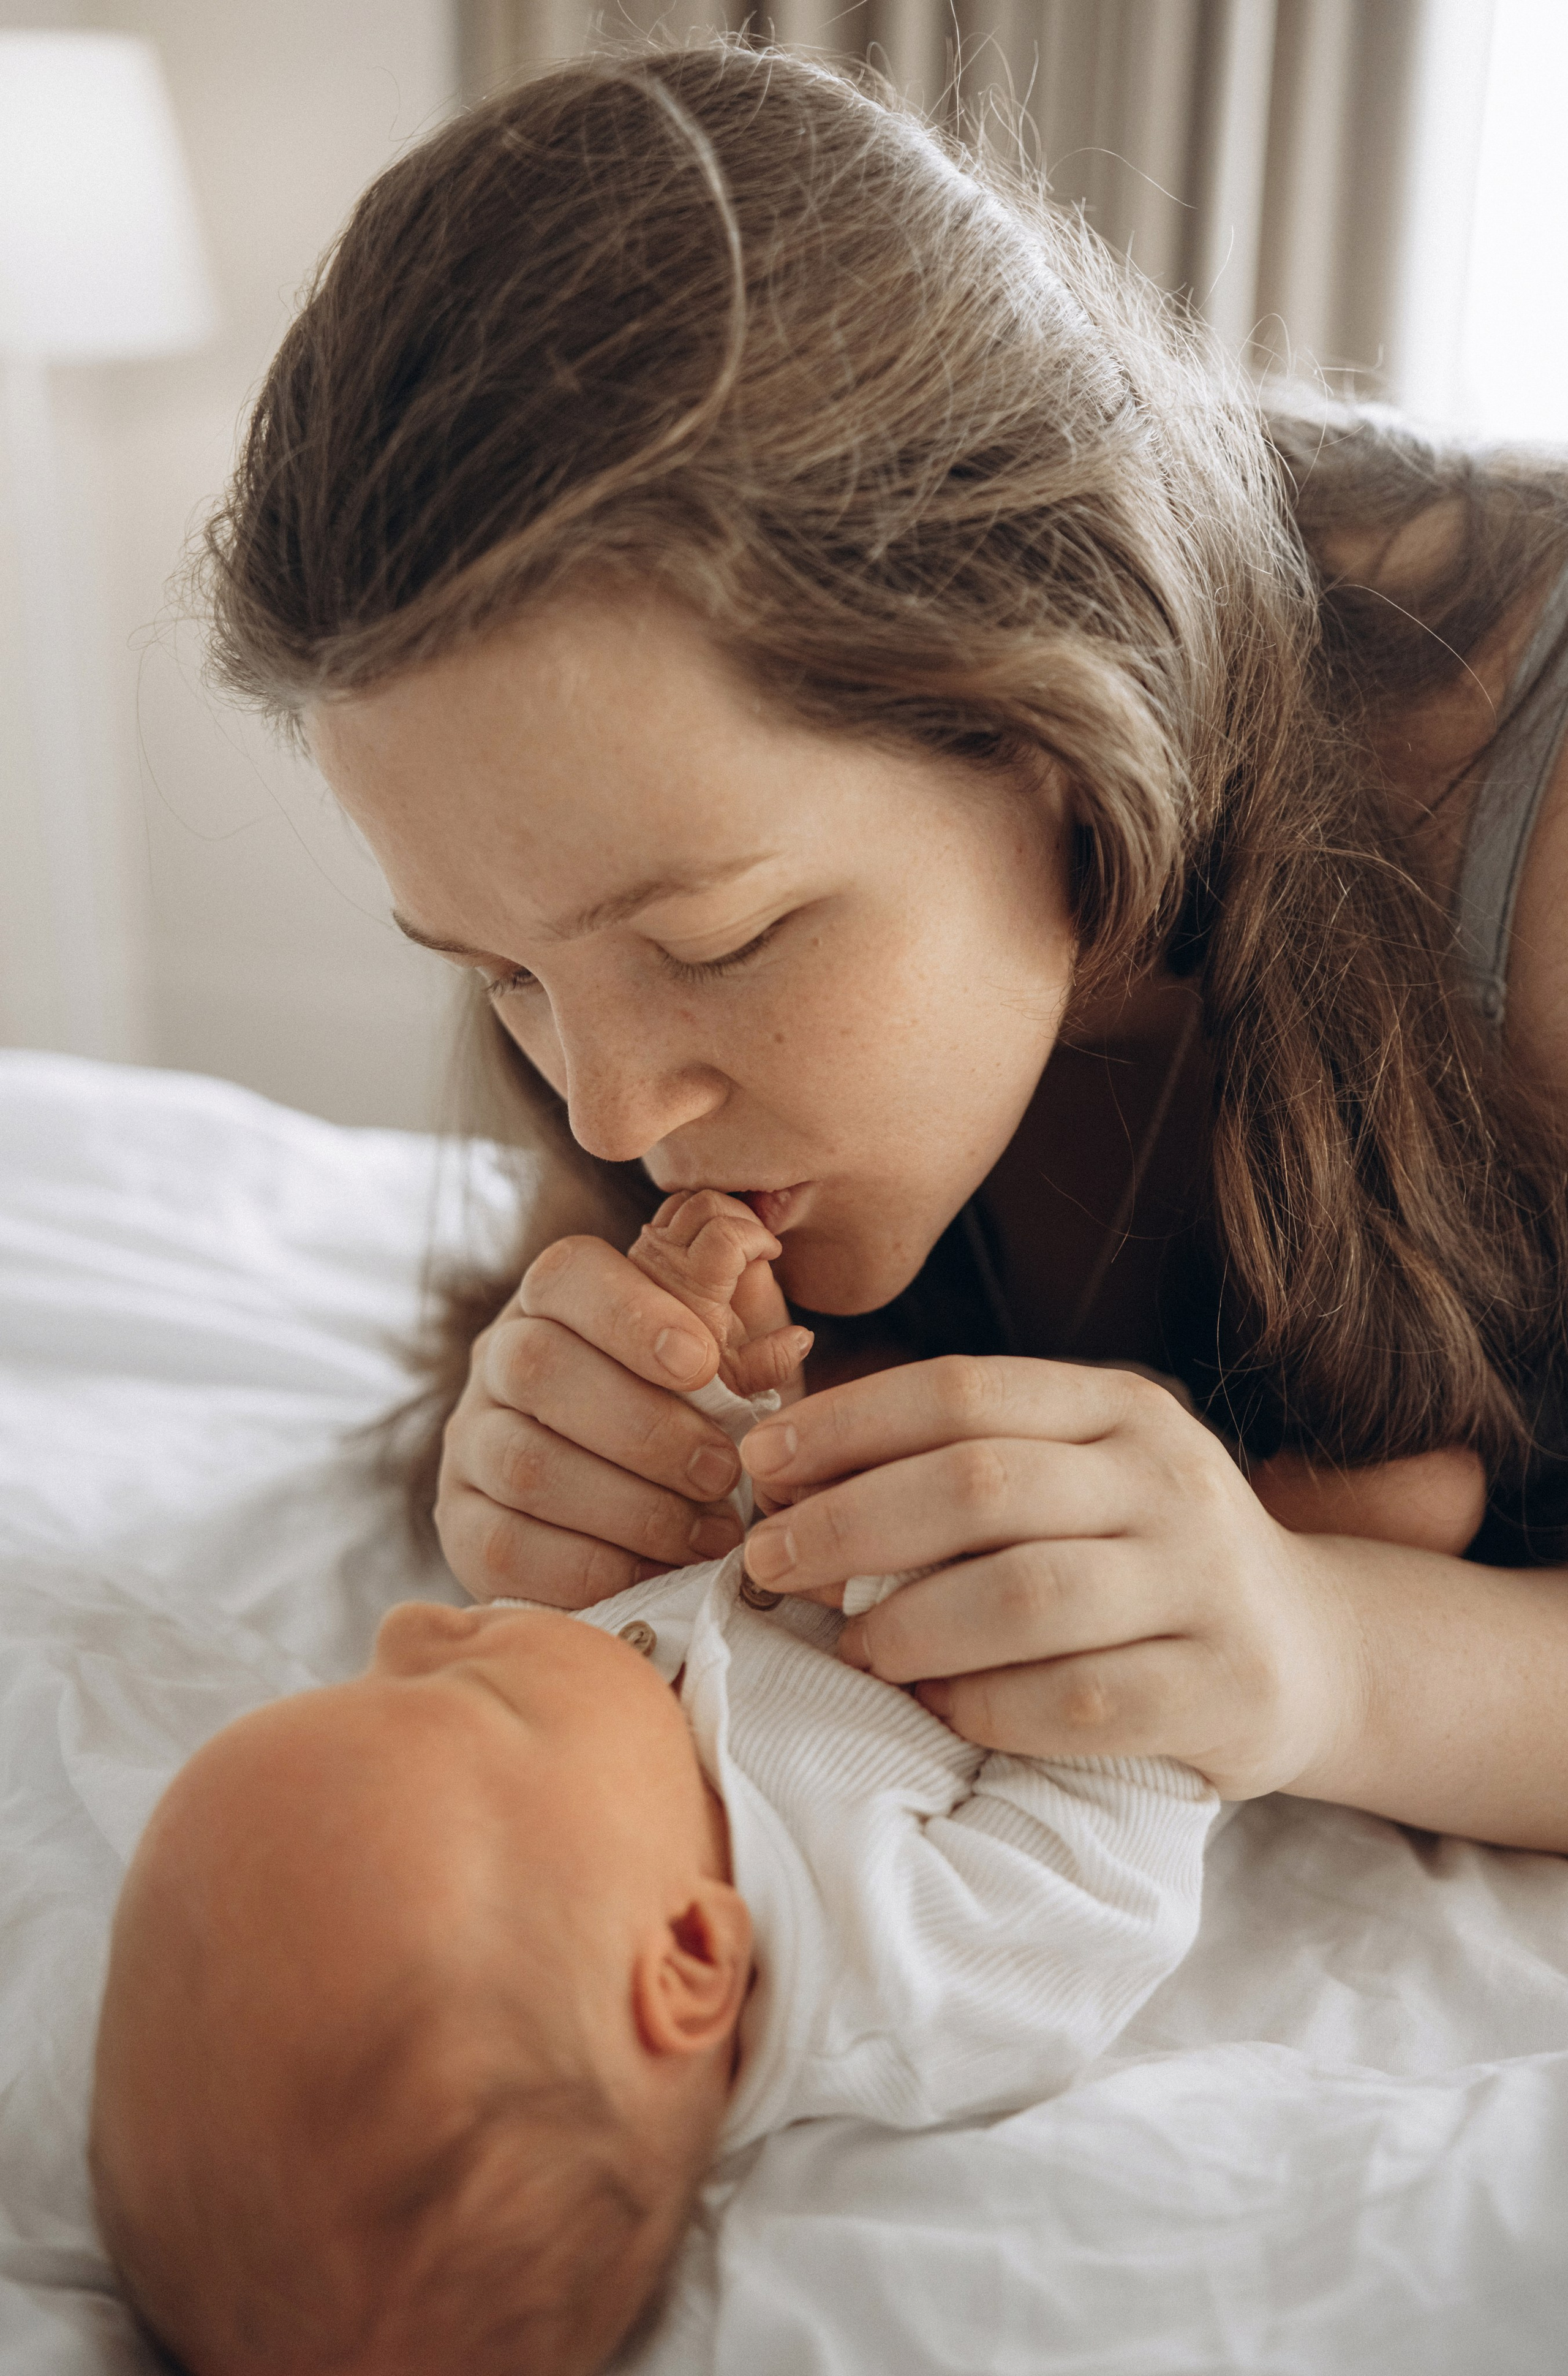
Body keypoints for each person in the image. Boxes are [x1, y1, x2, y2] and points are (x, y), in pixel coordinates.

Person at [203, 41, 1568, 1851]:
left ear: (1066, 715)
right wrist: (571, 1452)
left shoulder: (1525, 835)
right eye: (501, 973)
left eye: (727, 936)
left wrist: (1336, 1655)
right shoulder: (608, 888)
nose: (613, 1105)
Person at [89, 1195, 1219, 2376]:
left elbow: (685, 1534)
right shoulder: (903, 1971)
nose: (419, 1621)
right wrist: (1040, 1579)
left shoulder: (610, 1770)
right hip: (1119, 1481)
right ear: (685, 1961)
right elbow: (1114, 1838)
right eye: (471, 1693)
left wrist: (714, 1390)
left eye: (369, 1674)